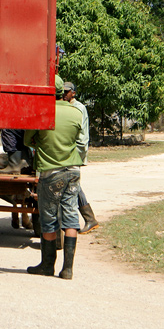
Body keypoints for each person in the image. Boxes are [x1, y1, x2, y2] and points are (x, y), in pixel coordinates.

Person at [25, 74, 85, 280]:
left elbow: (28, 139)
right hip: (73, 171)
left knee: (49, 219)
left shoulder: (42, 112)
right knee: (70, 217)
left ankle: (47, 265)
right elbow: (77, 138)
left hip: (51, 172)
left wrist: (41, 144)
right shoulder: (76, 112)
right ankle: (68, 269)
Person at [63, 81, 99, 234]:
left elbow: (83, 136)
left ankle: (90, 219)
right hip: (68, 152)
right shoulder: (65, 107)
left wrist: (76, 152)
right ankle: (89, 218)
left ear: (74, 93)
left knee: (73, 184)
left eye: (67, 92)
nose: (64, 94)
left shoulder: (79, 108)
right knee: (71, 184)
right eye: (62, 92)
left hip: (75, 152)